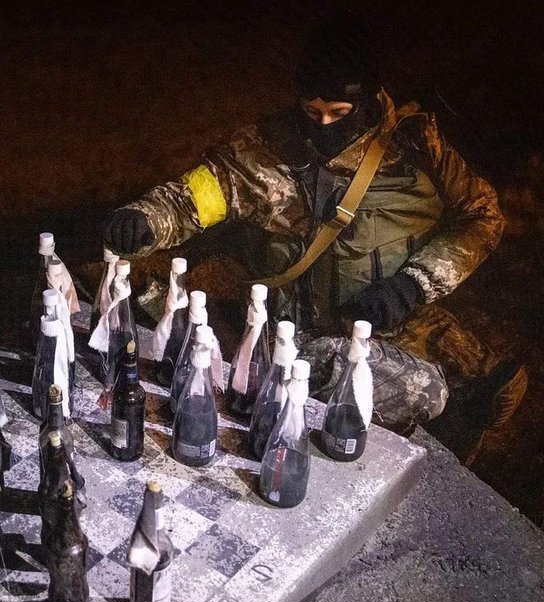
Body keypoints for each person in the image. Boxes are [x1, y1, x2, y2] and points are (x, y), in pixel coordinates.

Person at [102, 12, 527, 464]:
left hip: (400, 319)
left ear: (367, 98)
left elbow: (481, 216)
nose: (323, 124)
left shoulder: (416, 145)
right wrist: (143, 219)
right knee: (422, 393)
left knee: (501, 388)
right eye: (311, 111)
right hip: (300, 332)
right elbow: (189, 201)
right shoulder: (262, 151)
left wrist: (416, 284)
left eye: (339, 113)